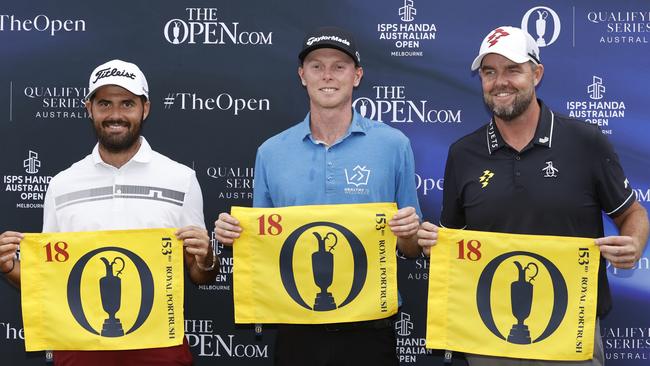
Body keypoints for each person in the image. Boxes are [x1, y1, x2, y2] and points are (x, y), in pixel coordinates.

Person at [417, 26, 649, 366]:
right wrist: (431, 242)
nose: (500, 82)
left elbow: (632, 214)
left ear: (536, 74)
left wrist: (634, 243)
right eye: (489, 72)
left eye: (513, 69)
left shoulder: (586, 142)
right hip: (487, 335)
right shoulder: (463, 153)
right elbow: (454, 239)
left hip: (571, 333)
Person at [214, 26, 422, 366]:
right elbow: (264, 247)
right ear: (302, 75)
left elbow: (411, 249)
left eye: (339, 66)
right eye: (316, 66)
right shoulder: (271, 152)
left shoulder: (394, 145)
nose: (328, 75)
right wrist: (235, 236)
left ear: (357, 76)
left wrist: (410, 233)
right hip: (297, 326)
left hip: (370, 326)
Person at [0, 59, 219, 365]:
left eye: (127, 103)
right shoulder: (62, 184)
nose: (116, 115)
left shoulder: (180, 178)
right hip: (79, 348)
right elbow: (49, 278)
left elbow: (199, 274)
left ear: (145, 108)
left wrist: (207, 259)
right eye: (105, 103)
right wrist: (10, 268)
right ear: (89, 108)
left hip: (159, 348)